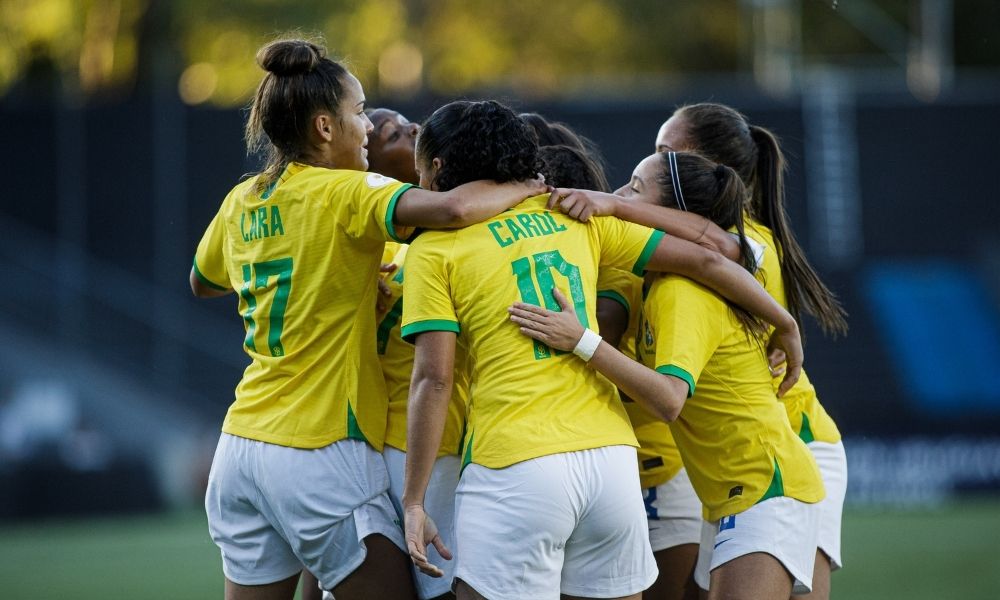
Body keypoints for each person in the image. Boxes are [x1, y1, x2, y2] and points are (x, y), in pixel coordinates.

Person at [400, 100, 803, 600]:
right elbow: (709, 255)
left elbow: (434, 380)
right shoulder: (575, 216)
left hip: (516, 461)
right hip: (611, 465)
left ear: (437, 169)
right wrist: (783, 320)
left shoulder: (433, 249)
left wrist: (414, 500)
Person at [189, 38, 544, 600]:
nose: (367, 127)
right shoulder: (345, 190)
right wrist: (528, 185)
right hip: (317, 446)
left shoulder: (242, 199)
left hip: (239, 446)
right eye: (360, 113)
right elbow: (451, 210)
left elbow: (203, 281)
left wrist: (317, 280)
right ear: (326, 128)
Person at [512, 151, 826, 600]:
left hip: (765, 486)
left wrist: (580, 340)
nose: (617, 196)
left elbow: (668, 399)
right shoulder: (659, 280)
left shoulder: (680, 293)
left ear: (671, 215)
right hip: (732, 494)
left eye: (636, 189)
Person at [656, 103, 848, 600]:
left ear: (708, 169)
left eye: (666, 153)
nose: (653, 165)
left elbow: (711, 250)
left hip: (794, 442)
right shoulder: (684, 239)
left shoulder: (748, 240)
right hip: (743, 462)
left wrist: (609, 204)